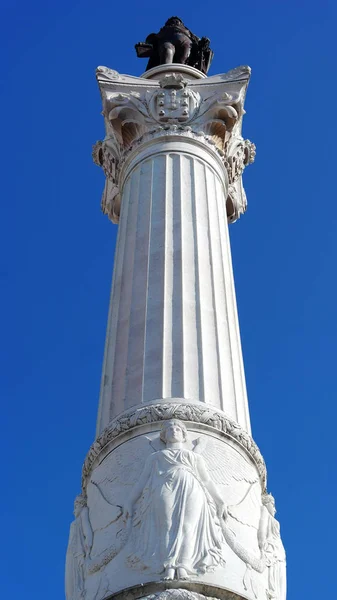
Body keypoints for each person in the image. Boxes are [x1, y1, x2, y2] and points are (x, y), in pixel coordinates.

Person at [123, 419, 227, 579]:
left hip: (191, 488)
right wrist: (129, 501)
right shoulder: (156, 457)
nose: (174, 430)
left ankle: (184, 566)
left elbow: (206, 480)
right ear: (163, 436)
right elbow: (142, 481)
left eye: (178, 428)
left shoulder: (193, 456)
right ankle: (169, 566)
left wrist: (220, 500)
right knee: (166, 525)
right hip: (164, 487)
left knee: (188, 527)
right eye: (170, 429)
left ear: (184, 434)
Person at [65, 495, 93, 600]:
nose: (73, 511)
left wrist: (88, 549)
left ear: (81, 504)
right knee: (70, 581)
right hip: (71, 553)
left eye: (76, 505)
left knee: (75, 579)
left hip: (77, 553)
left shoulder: (84, 511)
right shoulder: (78, 517)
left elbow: (88, 531)